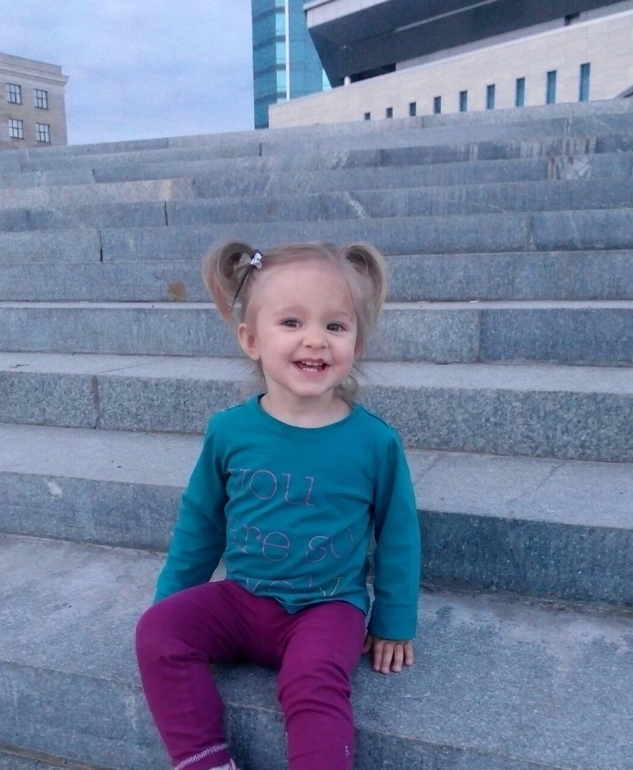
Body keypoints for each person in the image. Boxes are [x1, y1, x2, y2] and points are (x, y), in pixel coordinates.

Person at [135, 240, 421, 770]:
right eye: (292, 322)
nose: (315, 339)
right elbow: (201, 523)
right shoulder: (230, 432)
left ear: (356, 343)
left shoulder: (374, 442)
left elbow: (399, 533)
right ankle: (205, 761)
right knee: (158, 632)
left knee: (313, 684)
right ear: (251, 339)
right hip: (243, 599)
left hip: (327, 608)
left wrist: (394, 619)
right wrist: (171, 598)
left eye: (336, 326)